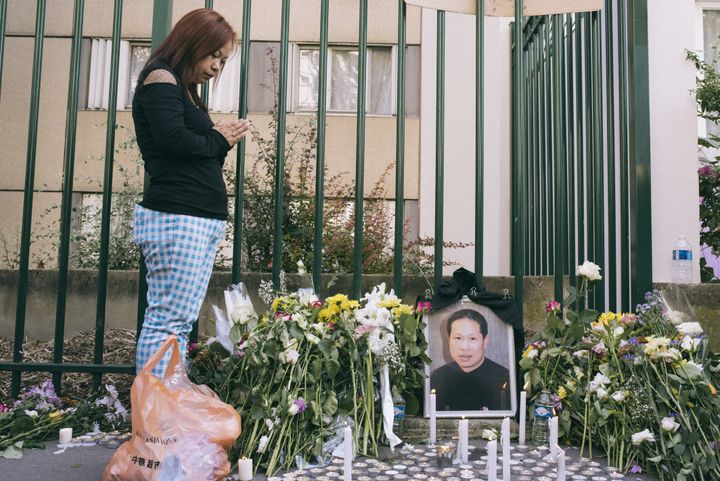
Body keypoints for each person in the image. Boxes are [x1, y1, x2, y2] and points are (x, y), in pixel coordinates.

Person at [132, 8, 250, 376]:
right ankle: (156, 416)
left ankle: (166, 410)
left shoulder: (179, 87)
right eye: (214, 54)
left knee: (177, 323)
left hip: (193, 218)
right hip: (178, 216)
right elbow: (173, 140)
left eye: (223, 60)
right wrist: (217, 137)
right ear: (193, 42)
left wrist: (216, 139)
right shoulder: (161, 78)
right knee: (168, 322)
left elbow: (190, 145)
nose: (217, 66)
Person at [430, 309, 511, 411]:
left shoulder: (503, 377)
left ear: (485, 342)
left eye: (472, 338)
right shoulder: (438, 377)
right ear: (449, 340)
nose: (465, 347)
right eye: (458, 338)